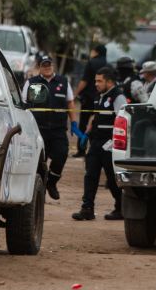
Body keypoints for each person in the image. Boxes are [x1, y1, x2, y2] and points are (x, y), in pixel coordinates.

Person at [22, 56, 86, 200]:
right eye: (44, 65)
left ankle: (51, 182)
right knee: (39, 162)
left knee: (61, 155)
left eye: (49, 65)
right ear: (39, 67)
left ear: (53, 66)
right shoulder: (31, 83)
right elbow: (24, 104)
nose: (47, 68)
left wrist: (74, 123)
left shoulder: (63, 82)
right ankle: (39, 191)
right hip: (38, 131)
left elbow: (70, 103)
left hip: (58, 130)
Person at [72, 66, 127, 221]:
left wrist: (116, 142)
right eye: (95, 80)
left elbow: (123, 120)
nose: (96, 84)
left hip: (110, 143)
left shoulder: (118, 97)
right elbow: (95, 117)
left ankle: (121, 208)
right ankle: (87, 209)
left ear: (109, 82)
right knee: (90, 175)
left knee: (112, 178)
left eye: (99, 81)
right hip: (96, 142)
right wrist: (86, 134)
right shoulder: (99, 96)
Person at [72, 44, 108, 157]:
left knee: (83, 124)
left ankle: (81, 150)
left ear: (96, 52)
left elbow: (84, 81)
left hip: (88, 98)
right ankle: (94, 150)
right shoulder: (108, 65)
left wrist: (75, 93)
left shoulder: (91, 62)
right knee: (97, 124)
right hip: (102, 99)